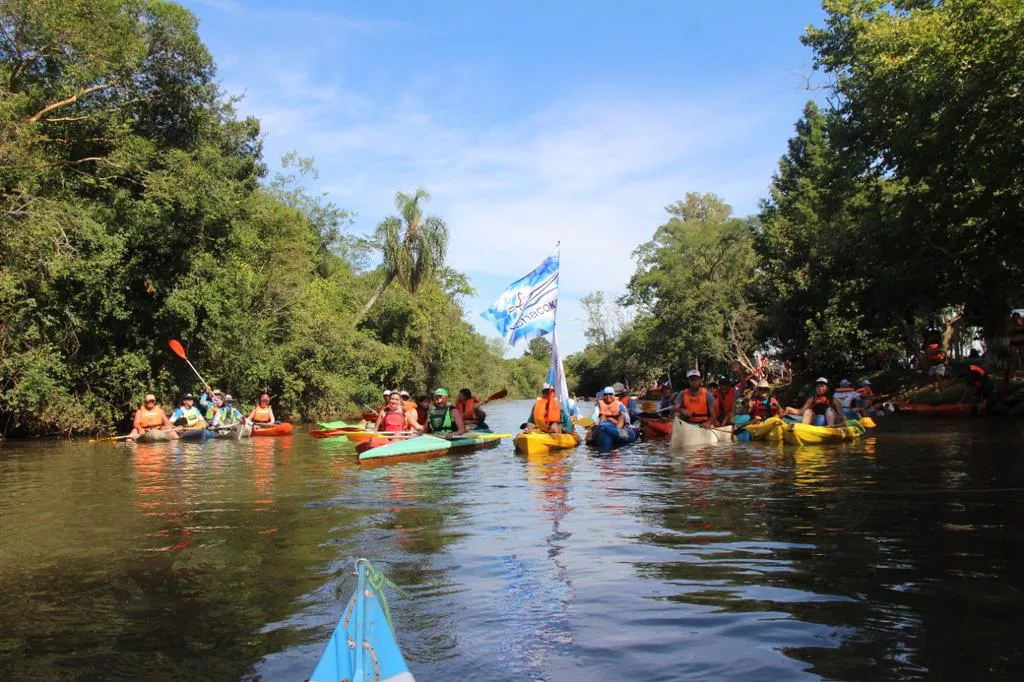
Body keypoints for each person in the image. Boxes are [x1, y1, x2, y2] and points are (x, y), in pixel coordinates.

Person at [1010, 310, 1024, 377]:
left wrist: (1020, 325)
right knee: (1014, 357)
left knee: (1023, 356)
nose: (1016, 318)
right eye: (1015, 317)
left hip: (1021, 341)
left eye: (1018, 317)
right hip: (1013, 342)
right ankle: (1014, 372)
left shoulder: (1021, 323)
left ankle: (1022, 370)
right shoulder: (1011, 324)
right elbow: (1010, 330)